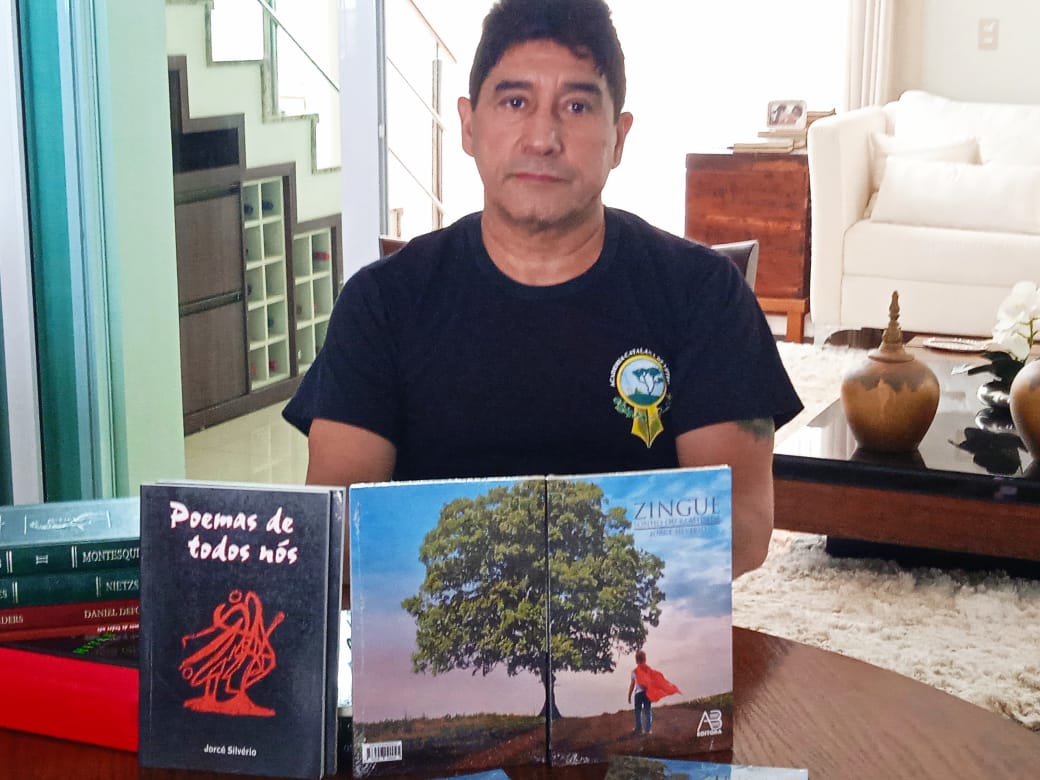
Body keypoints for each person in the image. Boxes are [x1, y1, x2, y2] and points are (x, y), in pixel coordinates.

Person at [283, 0, 802, 579]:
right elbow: (336, 533)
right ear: (469, 125)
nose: (542, 137)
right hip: (431, 628)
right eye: (515, 101)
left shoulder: (704, 294)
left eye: (576, 106)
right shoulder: (381, 302)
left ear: (619, 137)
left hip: (642, 626)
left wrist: (522, 566)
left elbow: (740, 525)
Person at [627, 649, 679, 734]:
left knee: (638, 711)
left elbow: (632, 685)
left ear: (636, 660)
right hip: (647, 693)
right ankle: (647, 730)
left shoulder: (634, 672)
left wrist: (629, 696)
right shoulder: (649, 670)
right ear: (645, 659)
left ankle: (639, 729)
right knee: (647, 710)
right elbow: (654, 681)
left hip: (638, 694)